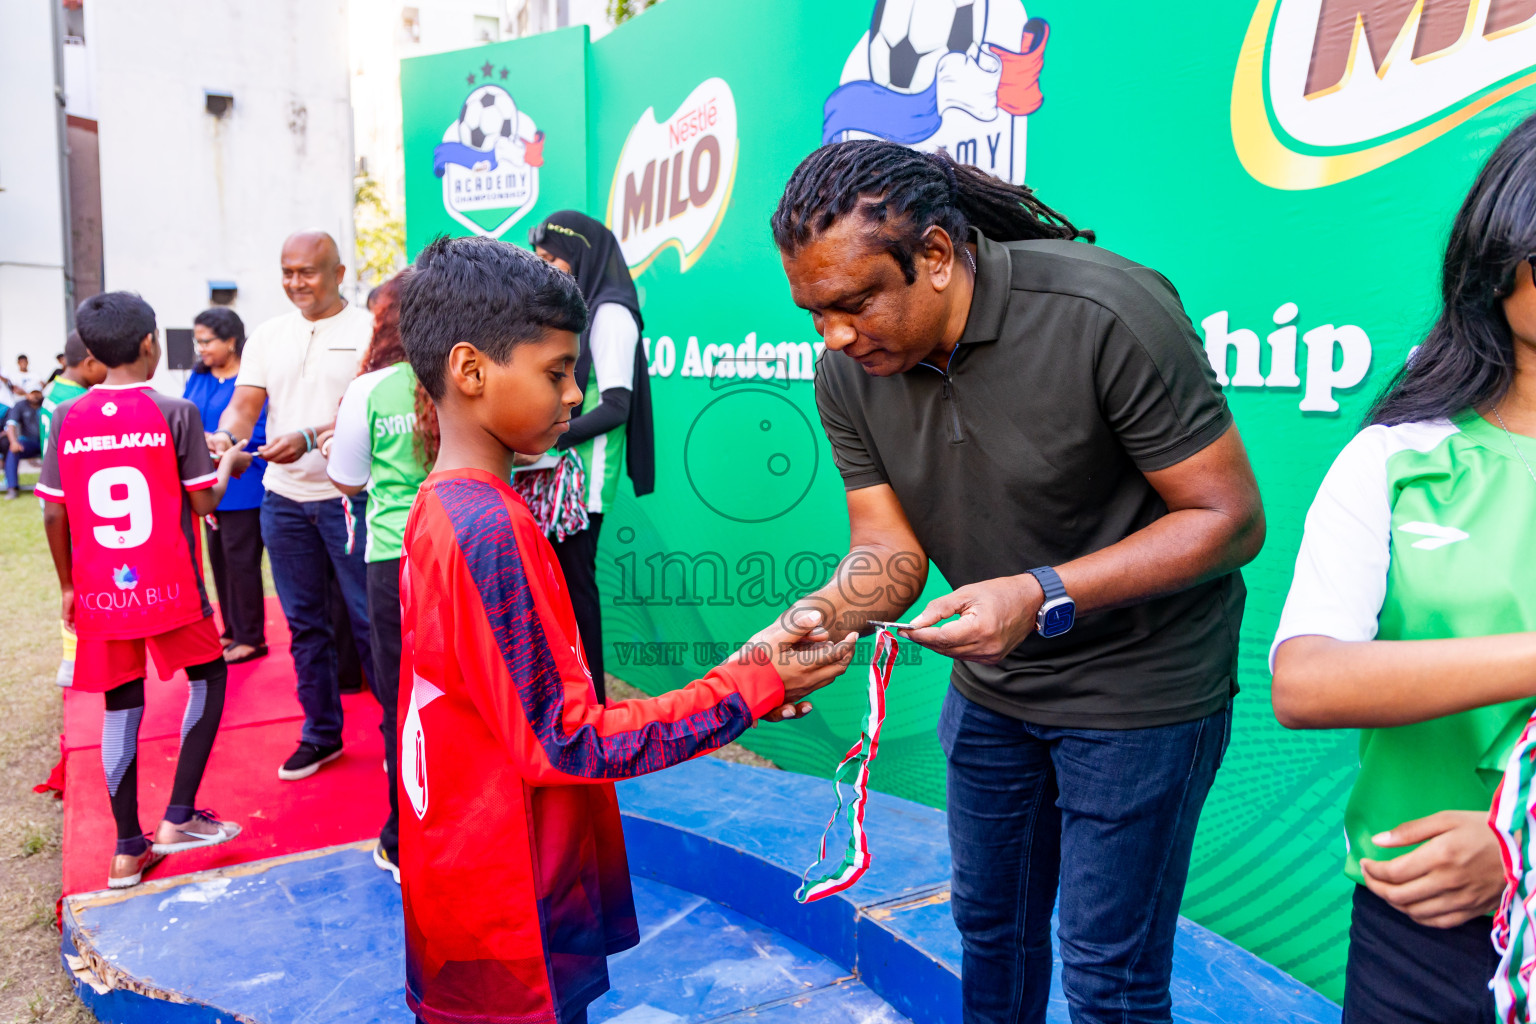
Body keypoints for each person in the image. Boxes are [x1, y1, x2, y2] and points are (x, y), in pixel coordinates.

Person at [769, 141, 1265, 1024]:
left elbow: (1227, 519)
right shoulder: (847, 371)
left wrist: (1039, 593)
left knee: (1109, 976)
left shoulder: (1104, 310)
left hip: (1142, 696)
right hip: (996, 691)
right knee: (990, 931)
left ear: (933, 255)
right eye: (815, 313)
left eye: (853, 304)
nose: (835, 335)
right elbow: (888, 553)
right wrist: (807, 625)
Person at [393, 235, 856, 1024]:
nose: (576, 395)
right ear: (471, 372)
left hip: (481, 875)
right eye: (555, 372)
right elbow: (567, 741)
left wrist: (744, 679)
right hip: (504, 898)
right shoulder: (487, 531)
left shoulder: (450, 508)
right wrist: (750, 685)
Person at [1270, 115, 1536, 1024]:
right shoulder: (1398, 458)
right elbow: (1306, 680)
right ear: (1499, 265)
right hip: (1419, 919)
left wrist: (1521, 847)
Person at [39, 292, 247, 888]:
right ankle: (178, 818)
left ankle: (127, 849)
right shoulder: (175, 411)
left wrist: (67, 587)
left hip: (103, 591)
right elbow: (204, 499)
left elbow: (54, 516)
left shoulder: (68, 416)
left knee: (119, 706)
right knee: (209, 677)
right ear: (150, 343)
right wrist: (228, 458)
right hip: (170, 584)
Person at [212, 230, 374, 781]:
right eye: (287, 272)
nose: (295, 283)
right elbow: (244, 405)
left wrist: (309, 436)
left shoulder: (369, 330)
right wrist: (224, 437)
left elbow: (369, 411)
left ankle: (397, 738)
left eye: (306, 272)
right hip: (283, 500)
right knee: (304, 626)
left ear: (339, 273)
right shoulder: (267, 335)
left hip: (350, 499)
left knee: (370, 623)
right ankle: (321, 734)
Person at [323, 273, 432, 884]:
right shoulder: (471, 373)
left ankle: (402, 836)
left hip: (394, 559)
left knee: (400, 700)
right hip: (467, 551)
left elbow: (348, 478)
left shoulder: (371, 388)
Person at [529, 211, 656, 701]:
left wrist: (549, 436)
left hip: (585, 484)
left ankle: (593, 702)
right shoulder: (579, 311)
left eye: (552, 258)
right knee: (558, 592)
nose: (546, 268)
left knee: (577, 591)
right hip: (558, 478)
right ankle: (568, 696)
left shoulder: (611, 314)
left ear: (581, 254)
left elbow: (617, 407)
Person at [184, 308, 269, 664]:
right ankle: (231, 628)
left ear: (231, 341)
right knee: (218, 560)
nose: (200, 348)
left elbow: (261, 426)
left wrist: (226, 444)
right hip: (207, 485)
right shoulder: (199, 376)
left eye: (207, 341)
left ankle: (252, 636)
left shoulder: (251, 381)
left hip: (244, 482)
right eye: (197, 341)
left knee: (242, 562)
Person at [41, 331, 108, 686]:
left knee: (74, 579)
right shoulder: (79, 401)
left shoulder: (54, 391)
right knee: (79, 582)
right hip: (70, 500)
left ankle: (75, 655)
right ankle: (72, 659)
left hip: (54, 494)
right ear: (90, 362)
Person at [41, 332, 107, 450]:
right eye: (107, 364)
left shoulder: (55, 387)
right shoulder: (81, 401)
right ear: (90, 364)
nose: (109, 371)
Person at [4, 383, 44, 498]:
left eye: (37, 392)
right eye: (32, 393)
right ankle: (12, 487)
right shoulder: (20, 405)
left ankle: (58, 488)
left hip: (47, 442)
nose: (35, 395)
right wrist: (13, 442)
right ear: (27, 394)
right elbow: (11, 425)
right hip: (29, 443)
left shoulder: (47, 404)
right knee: (13, 451)